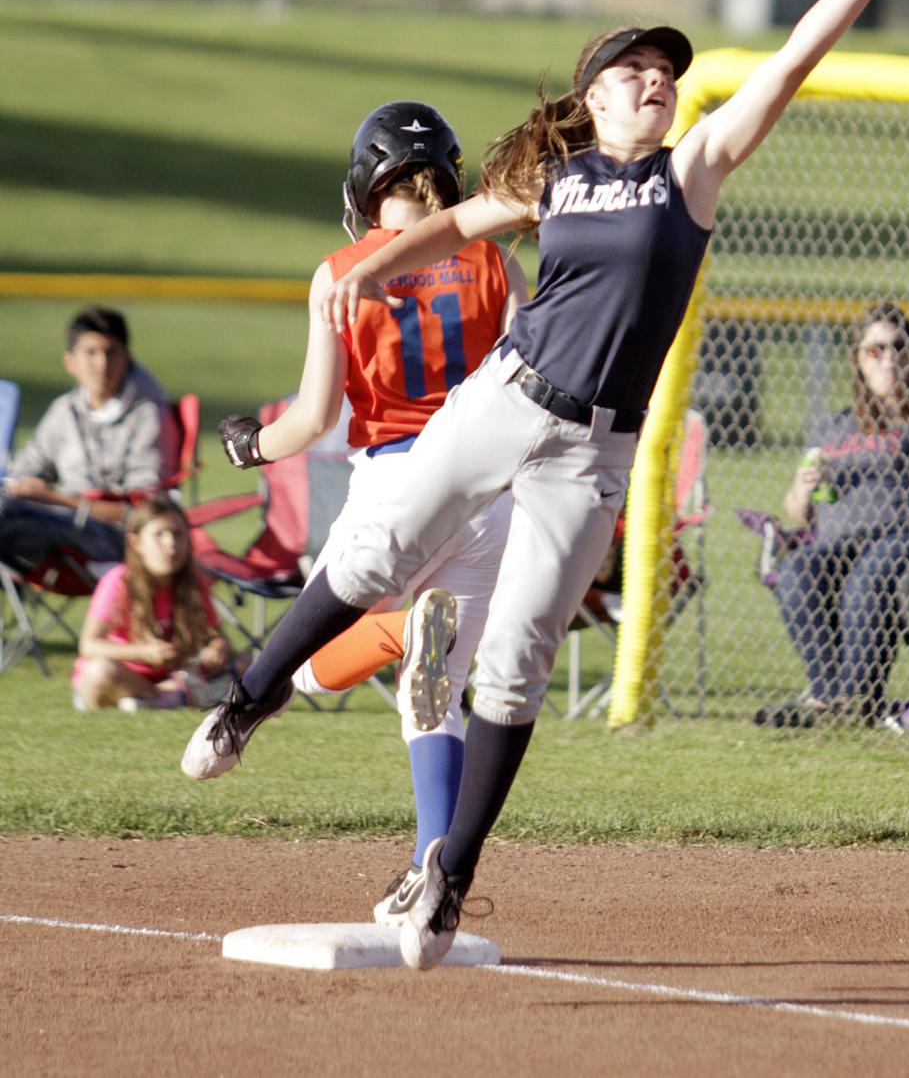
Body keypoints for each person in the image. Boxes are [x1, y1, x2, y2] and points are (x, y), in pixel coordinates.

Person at [182, 0, 909, 971]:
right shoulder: (558, 178)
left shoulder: (691, 170)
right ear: (595, 95)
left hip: (591, 455)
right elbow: (462, 225)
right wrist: (374, 267)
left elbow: (792, 59)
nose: (656, 79)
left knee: (517, 660)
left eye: (666, 69)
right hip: (502, 398)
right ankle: (245, 702)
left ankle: (448, 874)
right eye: (633, 68)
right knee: (375, 552)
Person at [191, 102, 528, 906]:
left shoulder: (343, 270)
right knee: (437, 684)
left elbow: (311, 419)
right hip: (489, 493)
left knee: (326, 629)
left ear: (363, 187)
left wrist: (251, 445)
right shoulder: (494, 261)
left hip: (399, 481)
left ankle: (249, 700)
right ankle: (430, 872)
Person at [754, 301, 909, 730]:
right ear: (858, 361)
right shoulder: (835, 427)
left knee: (870, 572)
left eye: (898, 347)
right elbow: (797, 512)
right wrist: (802, 490)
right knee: (798, 571)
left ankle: (855, 698)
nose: (889, 358)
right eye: (875, 350)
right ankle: (832, 698)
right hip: (839, 540)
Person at [0, 306, 174, 577]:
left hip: (114, 541)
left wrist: (57, 500)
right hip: (52, 530)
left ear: (127, 359)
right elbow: (23, 472)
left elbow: (145, 513)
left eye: (111, 352)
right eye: (91, 352)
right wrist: (25, 487)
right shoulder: (64, 410)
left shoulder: (148, 416)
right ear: (70, 362)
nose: (102, 363)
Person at [72, 494, 240, 710]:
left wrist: (218, 649)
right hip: (123, 675)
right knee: (100, 673)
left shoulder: (194, 581)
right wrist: (142, 652)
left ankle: (158, 699)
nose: (171, 543)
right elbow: (88, 645)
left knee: (247, 664)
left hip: (169, 673)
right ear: (136, 542)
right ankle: (170, 697)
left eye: (178, 534)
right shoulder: (119, 581)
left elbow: (216, 636)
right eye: (159, 535)